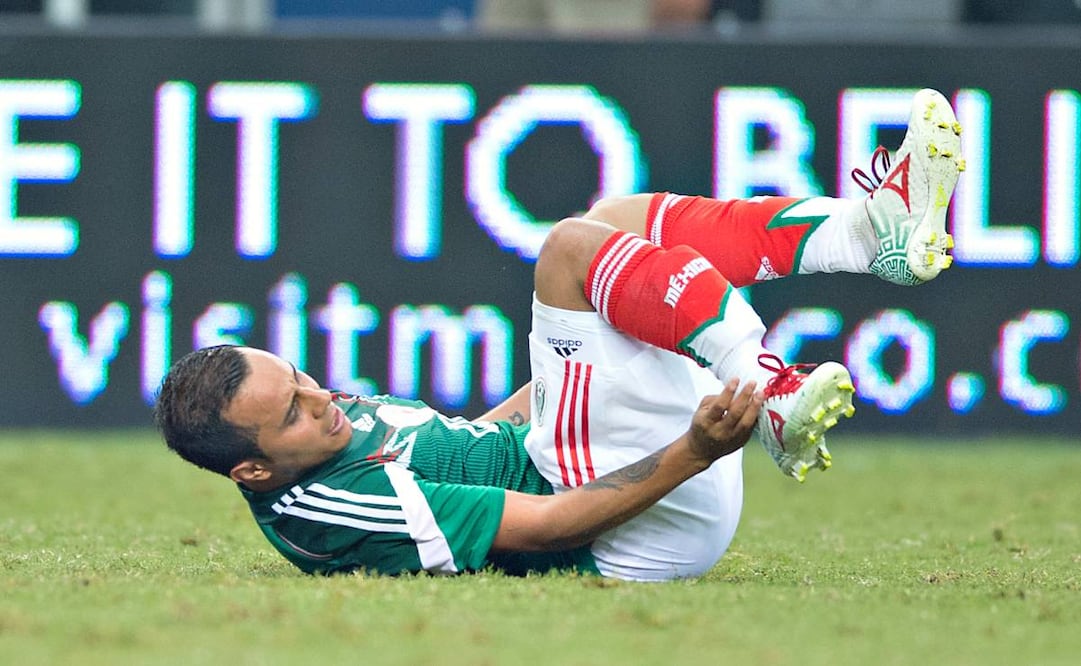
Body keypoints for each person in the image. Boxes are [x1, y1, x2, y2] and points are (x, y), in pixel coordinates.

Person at [154, 88, 963, 581]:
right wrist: (696, 449)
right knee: (570, 252)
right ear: (254, 468)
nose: (319, 396)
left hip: (610, 470)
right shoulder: (328, 506)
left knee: (610, 227)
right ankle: (769, 388)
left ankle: (861, 236)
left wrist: (589, 346)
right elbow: (548, 528)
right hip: (628, 531)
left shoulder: (320, 429)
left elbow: (477, 435)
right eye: (293, 410)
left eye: (299, 378)